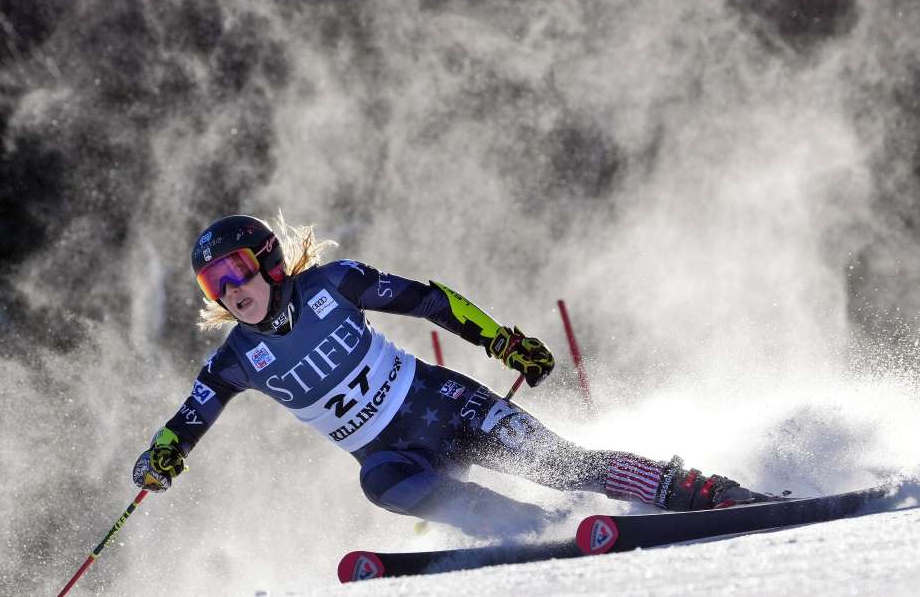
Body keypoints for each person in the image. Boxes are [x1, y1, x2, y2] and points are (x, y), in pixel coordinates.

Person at [133, 214, 772, 536]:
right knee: (381, 486)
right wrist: (162, 456)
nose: (229, 291)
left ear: (268, 262)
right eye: (214, 285)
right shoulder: (236, 360)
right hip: (392, 453)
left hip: (446, 407)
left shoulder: (334, 283)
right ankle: (533, 532)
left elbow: (430, 301)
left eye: (236, 271)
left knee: (561, 463)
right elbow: (191, 419)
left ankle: (695, 490)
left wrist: (504, 342)